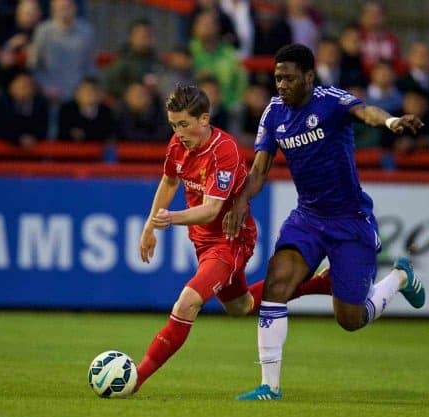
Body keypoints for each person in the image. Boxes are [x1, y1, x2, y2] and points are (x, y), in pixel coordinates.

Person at [223, 44, 426, 401]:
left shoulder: (330, 100)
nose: (281, 84)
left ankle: (399, 277)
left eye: (288, 77)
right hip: (308, 218)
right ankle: (269, 387)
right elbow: (258, 171)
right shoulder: (273, 114)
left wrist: (392, 120)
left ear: (309, 77)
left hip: (350, 221)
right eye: (277, 78)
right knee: (277, 283)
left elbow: (367, 113)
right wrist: (241, 200)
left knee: (350, 318)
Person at [134, 84, 331, 393]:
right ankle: (320, 283)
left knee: (186, 304)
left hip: (231, 239)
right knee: (240, 306)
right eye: (173, 125)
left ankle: (135, 378)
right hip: (203, 241)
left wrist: (169, 219)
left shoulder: (223, 150)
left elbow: (212, 210)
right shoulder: (177, 145)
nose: (178, 132)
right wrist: (148, 226)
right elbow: (169, 181)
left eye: (184, 124)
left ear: (204, 119)